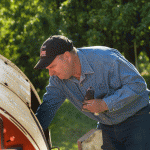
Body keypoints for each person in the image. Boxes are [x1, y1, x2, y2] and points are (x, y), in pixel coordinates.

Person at [34, 35, 150, 150]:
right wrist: (30, 134)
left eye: (52, 66)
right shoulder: (57, 80)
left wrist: (105, 104)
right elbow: (47, 109)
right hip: (107, 126)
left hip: (137, 120)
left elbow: (138, 85)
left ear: (67, 57)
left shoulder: (107, 59)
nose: (50, 73)